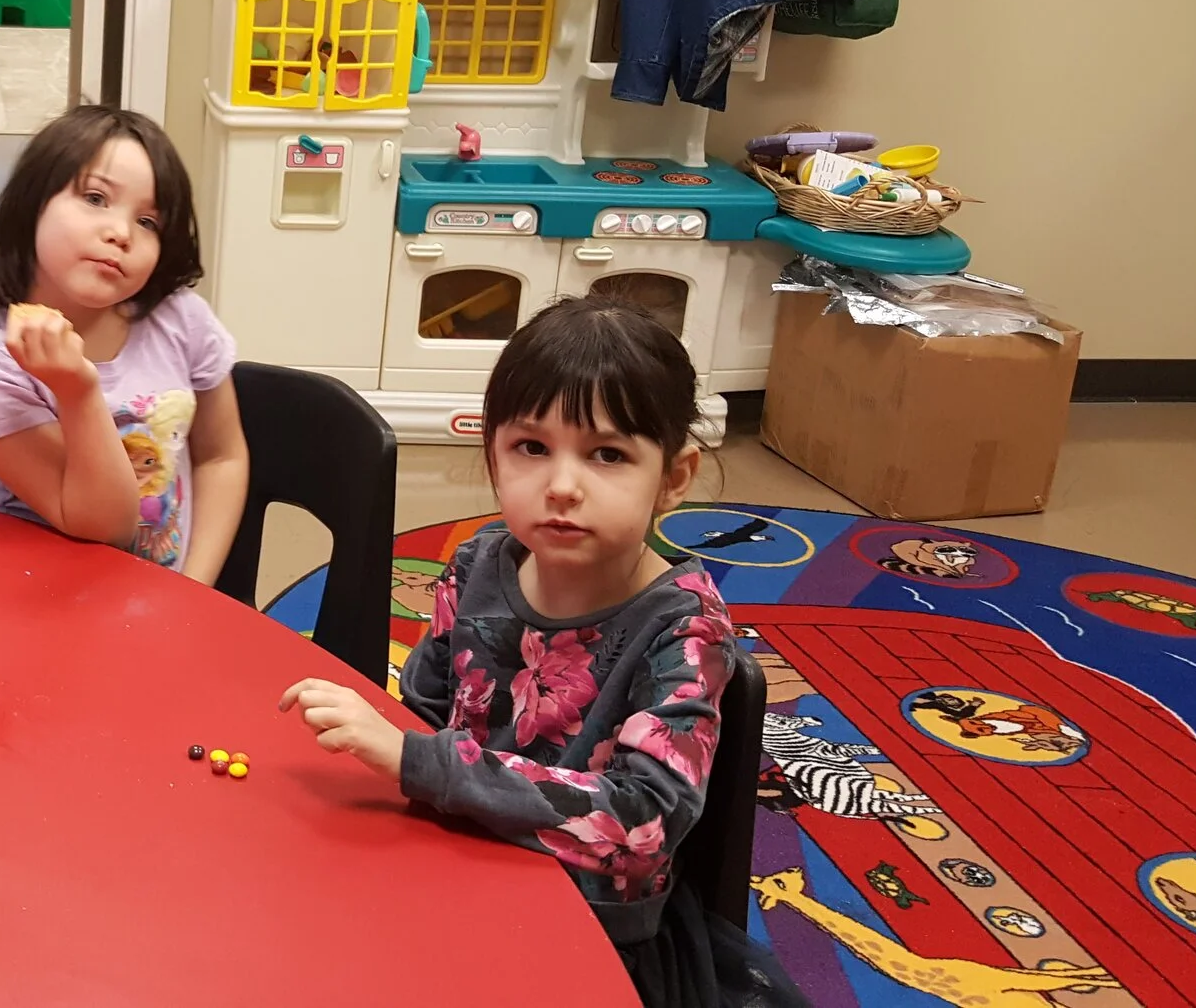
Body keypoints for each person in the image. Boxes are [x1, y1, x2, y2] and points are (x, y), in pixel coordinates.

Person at [277, 297, 805, 1008]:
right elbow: (426, 713)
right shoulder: (476, 567)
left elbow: (640, 826)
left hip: (594, 935)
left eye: (608, 455)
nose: (561, 484)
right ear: (491, 450)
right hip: (453, 875)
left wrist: (419, 762)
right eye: (531, 447)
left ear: (674, 477)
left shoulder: (686, 628)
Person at [0, 105, 247, 581]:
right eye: (95, 197)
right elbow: (107, 527)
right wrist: (78, 391)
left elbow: (221, 455)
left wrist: (195, 591)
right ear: (33, 202)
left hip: (171, 605)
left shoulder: (181, 318)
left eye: (149, 222)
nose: (121, 233)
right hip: (44, 609)